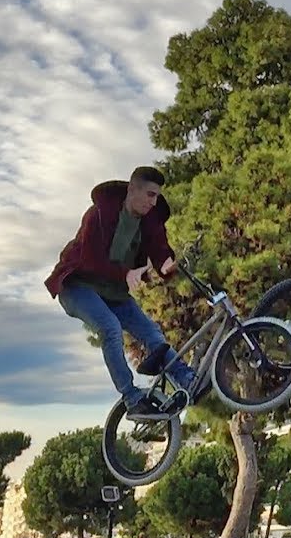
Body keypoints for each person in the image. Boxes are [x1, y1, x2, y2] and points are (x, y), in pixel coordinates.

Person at [44, 166, 198, 420]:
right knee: (110, 328)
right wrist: (126, 274)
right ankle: (131, 397)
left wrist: (168, 266)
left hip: (113, 293)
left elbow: (161, 251)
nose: (153, 201)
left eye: (157, 196)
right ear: (132, 189)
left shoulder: (151, 219)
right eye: (149, 194)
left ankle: (186, 380)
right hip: (77, 287)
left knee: (151, 332)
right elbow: (90, 258)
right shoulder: (98, 214)